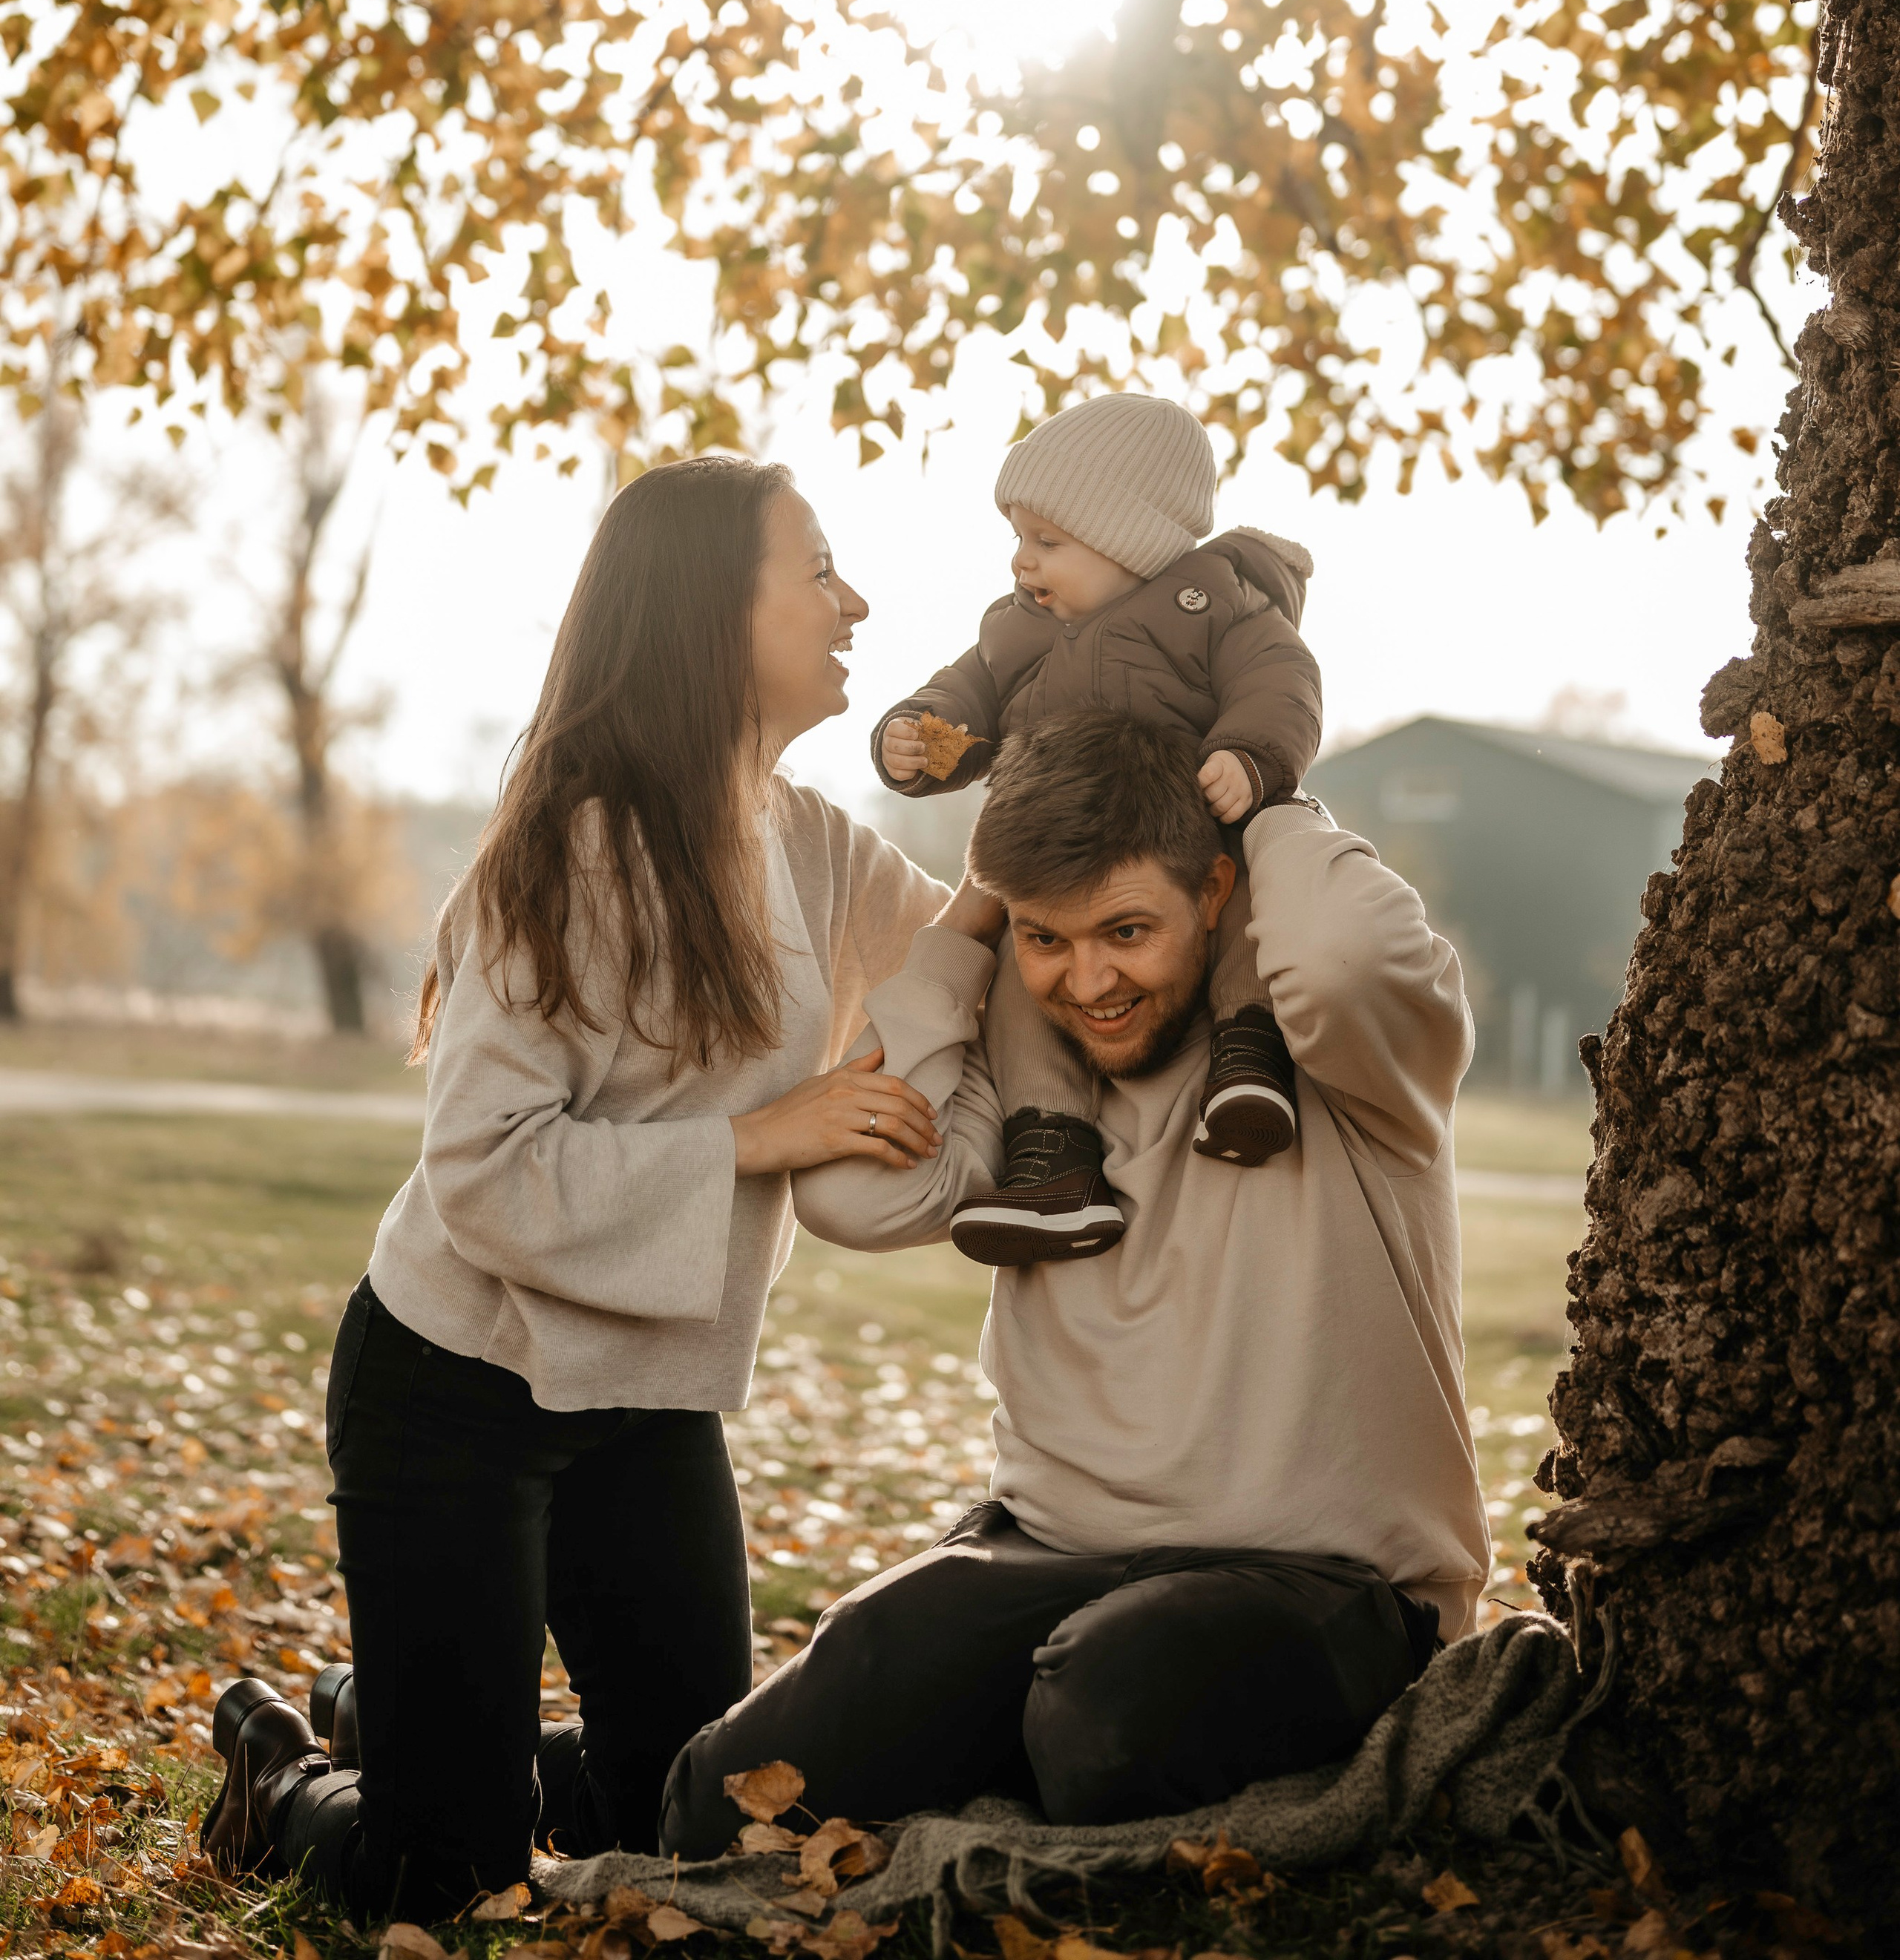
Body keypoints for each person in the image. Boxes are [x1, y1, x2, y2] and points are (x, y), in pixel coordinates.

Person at [202, 453, 995, 1920]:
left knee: (693, 1822)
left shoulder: (804, 837)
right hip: (457, 1391)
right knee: (446, 1884)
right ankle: (285, 1780)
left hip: (641, 1403)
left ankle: (417, 1719)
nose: (855, 600)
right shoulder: (567, 849)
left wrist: (1055, 747)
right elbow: (485, 1172)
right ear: (708, 611)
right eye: (815, 570)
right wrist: (767, 1136)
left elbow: (973, 955)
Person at [662, 714, 1490, 1846]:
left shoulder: (1344, 1059)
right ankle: (416, 1765)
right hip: (1045, 1556)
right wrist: (969, 927)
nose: (1089, 981)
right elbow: (854, 1197)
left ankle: (999, 1742)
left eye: (1128, 930)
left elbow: (1342, 952)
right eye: (1047, 937)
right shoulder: (1036, 1094)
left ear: (1216, 889)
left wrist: (1273, 802)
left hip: (1326, 1585)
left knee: (1108, 1707)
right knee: (732, 1795)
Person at [873, 392, 1323, 1263]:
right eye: (1018, 537)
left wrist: (1251, 756)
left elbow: (1282, 684)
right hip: (1054, 863)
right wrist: (919, 736)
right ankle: (1052, 1156)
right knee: (1021, 983)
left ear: (1132, 539)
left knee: (1246, 922)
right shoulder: (1017, 633)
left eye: (1048, 541)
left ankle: (1250, 1062)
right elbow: (962, 698)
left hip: (1187, 836)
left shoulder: (1217, 605)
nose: (1020, 562)